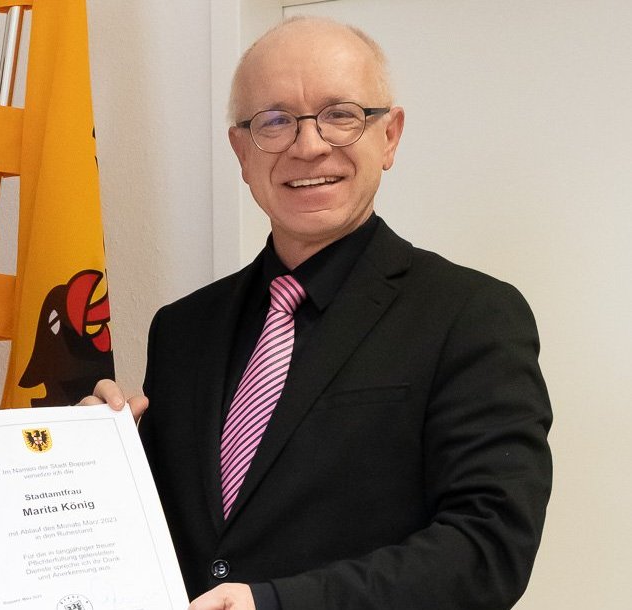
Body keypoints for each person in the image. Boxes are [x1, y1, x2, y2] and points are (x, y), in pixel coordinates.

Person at [95, 16, 552, 610]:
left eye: (341, 115)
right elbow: (172, 537)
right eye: (275, 121)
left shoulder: (472, 315)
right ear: (240, 149)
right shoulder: (183, 329)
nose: (308, 146)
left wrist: (274, 603)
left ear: (389, 137)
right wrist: (97, 465)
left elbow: (487, 549)